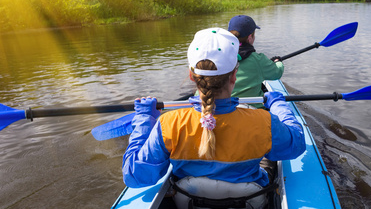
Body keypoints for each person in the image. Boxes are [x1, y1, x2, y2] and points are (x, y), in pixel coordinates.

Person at [122, 28, 305, 190]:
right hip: (249, 205)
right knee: (269, 162)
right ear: (234, 75)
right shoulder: (263, 121)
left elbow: (134, 176)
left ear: (191, 76)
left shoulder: (168, 124)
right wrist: (278, 104)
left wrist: (145, 120)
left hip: (189, 208)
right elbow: (297, 144)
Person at [228, 15, 284, 107]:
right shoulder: (258, 59)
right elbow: (277, 73)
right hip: (252, 111)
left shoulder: (220, 56)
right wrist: (278, 62)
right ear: (250, 37)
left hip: (225, 108)